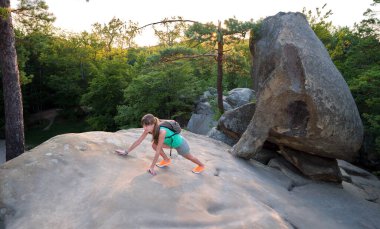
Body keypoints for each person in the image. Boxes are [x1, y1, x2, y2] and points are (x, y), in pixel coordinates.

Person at [115, 114, 205, 176]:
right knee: (154, 145)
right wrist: (126, 151)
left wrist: (152, 167)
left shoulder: (162, 131)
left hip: (179, 144)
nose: (144, 128)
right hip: (170, 143)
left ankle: (201, 165)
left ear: (153, 124)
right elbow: (138, 141)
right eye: (143, 125)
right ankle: (166, 160)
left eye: (147, 126)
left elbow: (158, 151)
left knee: (189, 157)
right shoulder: (149, 129)